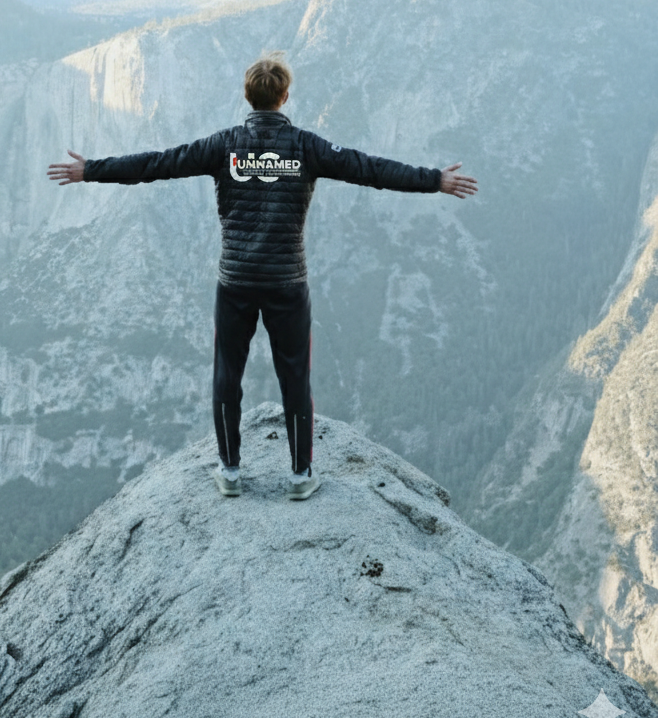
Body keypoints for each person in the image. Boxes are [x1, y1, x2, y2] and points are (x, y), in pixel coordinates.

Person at [47, 53, 477, 500]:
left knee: (226, 373)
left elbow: (157, 164)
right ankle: (299, 475)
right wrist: (434, 180)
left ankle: (230, 472)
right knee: (295, 377)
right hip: (287, 283)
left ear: (247, 97)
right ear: (285, 96)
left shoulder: (224, 145)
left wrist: (90, 170)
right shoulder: (307, 148)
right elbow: (368, 168)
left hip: (234, 281)